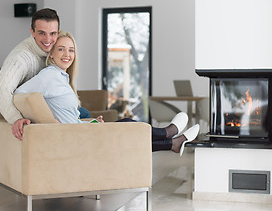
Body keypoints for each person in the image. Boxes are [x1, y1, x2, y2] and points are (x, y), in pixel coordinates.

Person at [15, 31, 200, 156]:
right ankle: (169, 133)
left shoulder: (62, 78)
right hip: (75, 139)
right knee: (128, 127)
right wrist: (45, 120)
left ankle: (173, 142)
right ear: (51, 54)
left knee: (127, 134)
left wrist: (92, 122)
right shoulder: (48, 75)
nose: (67, 54)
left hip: (81, 132)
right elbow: (19, 94)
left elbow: (69, 117)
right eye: (61, 49)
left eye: (71, 50)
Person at [0, 8, 60, 139]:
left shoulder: (56, 51)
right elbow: (0, 90)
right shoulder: (21, 58)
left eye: (52, 33)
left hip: (51, 112)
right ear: (32, 32)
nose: (48, 39)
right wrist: (15, 118)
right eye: (42, 33)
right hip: (32, 119)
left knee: (85, 115)